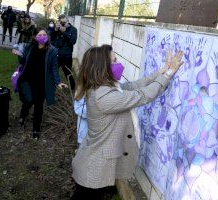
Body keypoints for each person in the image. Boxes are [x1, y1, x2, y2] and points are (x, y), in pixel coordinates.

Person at [71, 45, 184, 199]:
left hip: (93, 165)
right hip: (93, 169)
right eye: (114, 60)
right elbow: (142, 95)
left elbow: (133, 86)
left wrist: (161, 71)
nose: (118, 63)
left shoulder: (103, 88)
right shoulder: (104, 96)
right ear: (102, 66)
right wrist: (169, 74)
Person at [12, 27, 67, 139]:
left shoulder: (52, 51)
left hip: (42, 83)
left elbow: (54, 69)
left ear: (47, 36)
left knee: (38, 105)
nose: (42, 37)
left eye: (44, 35)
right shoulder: (29, 47)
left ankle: (36, 129)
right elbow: (23, 62)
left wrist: (58, 82)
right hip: (27, 80)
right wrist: (18, 54)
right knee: (28, 100)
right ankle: (22, 116)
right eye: (40, 35)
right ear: (35, 37)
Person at [53, 14, 77, 91]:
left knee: (67, 72)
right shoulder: (58, 28)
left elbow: (73, 41)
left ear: (67, 21)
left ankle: (73, 88)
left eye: (63, 22)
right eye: (60, 22)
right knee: (53, 70)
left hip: (67, 55)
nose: (62, 24)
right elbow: (52, 39)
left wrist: (64, 32)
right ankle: (52, 86)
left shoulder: (73, 29)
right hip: (57, 53)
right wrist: (55, 30)